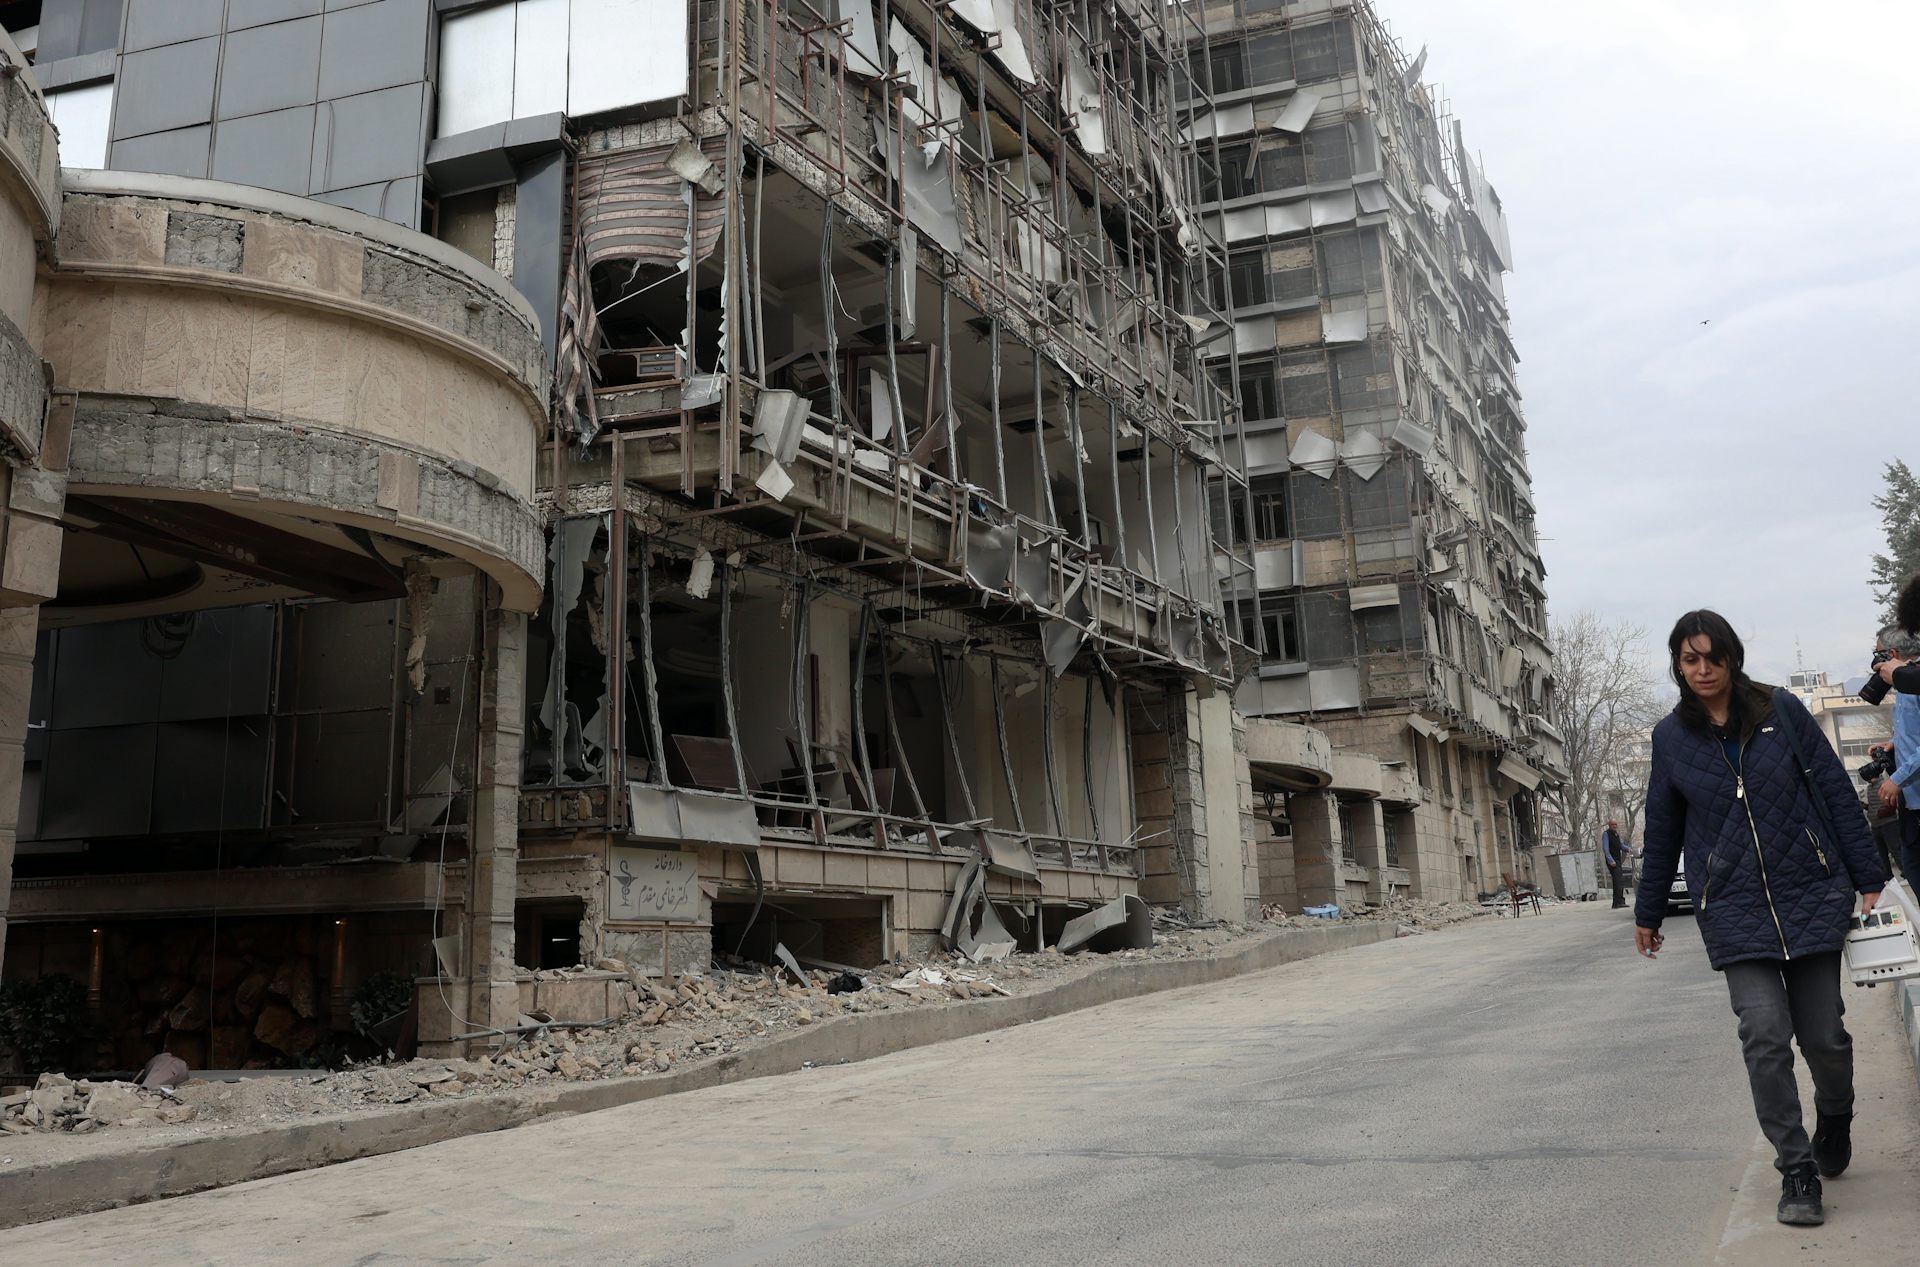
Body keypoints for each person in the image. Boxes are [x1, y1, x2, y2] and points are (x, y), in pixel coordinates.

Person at [1636, 611, 1887, 1228]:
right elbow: (1663, 826)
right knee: (1765, 1036)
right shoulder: (1671, 737)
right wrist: (1648, 911)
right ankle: (1795, 1169)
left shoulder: (1783, 711)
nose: (1701, 670)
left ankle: (1836, 1114)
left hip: (1809, 893)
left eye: (1711, 658)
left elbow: (1831, 790)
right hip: (1733, 907)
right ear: (1677, 665)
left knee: (1825, 1037)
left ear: (1732, 658)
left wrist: (1868, 876)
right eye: (1688, 660)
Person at [1872, 626, 1920, 880]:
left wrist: (1897, 778)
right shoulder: (1904, 687)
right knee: (1911, 871)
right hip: (1912, 806)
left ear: (1891, 654)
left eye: (1878, 656)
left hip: (1914, 794)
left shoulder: (1915, 683)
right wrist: (1894, 744)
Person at [1602, 819, 1629, 908]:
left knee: (1619, 881)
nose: (1614, 826)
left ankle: (1620, 901)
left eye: (1615, 824)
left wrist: (1629, 849)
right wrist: (1611, 860)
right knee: (1618, 881)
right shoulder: (1606, 834)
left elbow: (1621, 845)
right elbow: (1606, 849)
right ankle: (1617, 903)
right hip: (1612, 861)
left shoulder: (1616, 834)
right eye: (1613, 824)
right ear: (1609, 825)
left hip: (1617, 860)